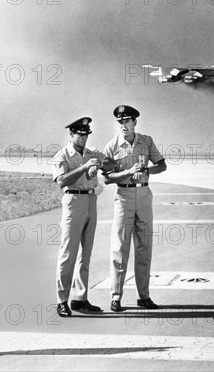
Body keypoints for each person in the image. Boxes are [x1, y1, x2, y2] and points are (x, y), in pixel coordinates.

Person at [102, 105, 167, 312]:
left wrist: (147, 169)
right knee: (119, 248)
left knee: (144, 247)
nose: (123, 125)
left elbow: (162, 165)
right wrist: (128, 173)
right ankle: (116, 297)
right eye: (120, 122)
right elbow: (107, 178)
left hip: (144, 194)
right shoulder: (112, 147)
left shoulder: (146, 141)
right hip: (124, 196)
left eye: (127, 121)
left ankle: (144, 296)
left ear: (135, 122)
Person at [51, 117, 105, 317]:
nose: (83, 138)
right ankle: (62, 300)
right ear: (71, 134)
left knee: (85, 254)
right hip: (73, 201)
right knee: (68, 252)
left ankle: (80, 298)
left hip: (91, 200)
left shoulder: (93, 153)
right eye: (80, 134)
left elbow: (110, 165)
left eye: (86, 134)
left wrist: (102, 168)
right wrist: (84, 167)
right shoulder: (62, 155)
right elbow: (61, 180)